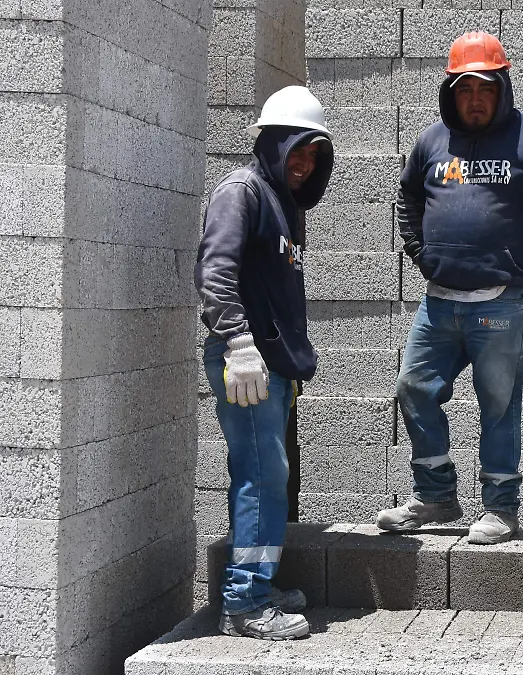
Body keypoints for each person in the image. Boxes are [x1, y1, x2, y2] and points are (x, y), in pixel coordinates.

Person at [376, 31, 523, 544]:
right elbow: (408, 198)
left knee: (498, 404)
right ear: (450, 92)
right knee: (413, 388)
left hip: (502, 302)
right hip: (440, 301)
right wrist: (420, 253)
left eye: (485, 88)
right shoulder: (431, 142)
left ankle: (500, 508)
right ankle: (435, 495)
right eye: (464, 89)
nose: (475, 99)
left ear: (502, 88)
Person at [195, 86, 334, 639]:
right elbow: (215, 272)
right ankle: (244, 604)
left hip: (268, 366)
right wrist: (238, 342)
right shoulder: (242, 192)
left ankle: (257, 584)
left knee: (268, 477)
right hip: (245, 362)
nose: (304, 164)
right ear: (272, 143)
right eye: (297, 150)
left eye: (314, 155)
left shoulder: (281, 204)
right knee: (261, 477)